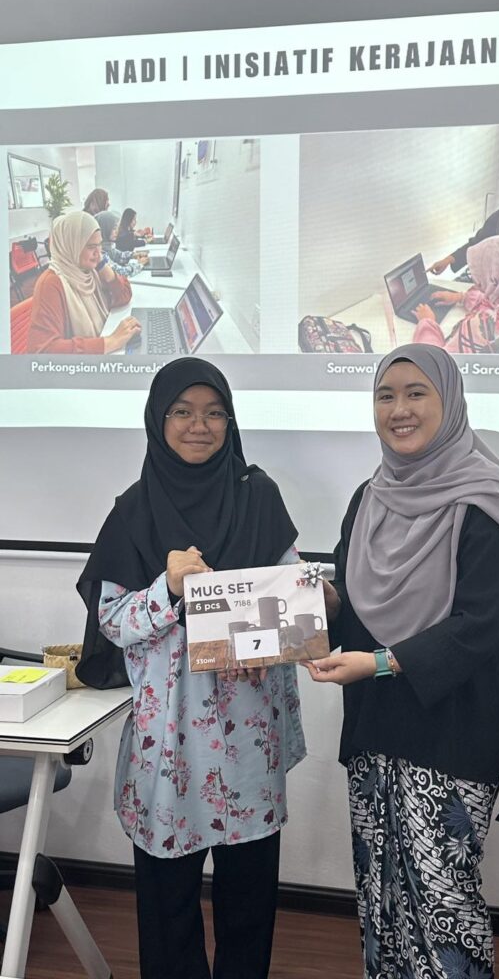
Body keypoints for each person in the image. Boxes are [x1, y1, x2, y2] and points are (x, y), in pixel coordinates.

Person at [306, 343, 499, 979]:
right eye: (386, 396)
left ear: (450, 403)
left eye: (416, 394)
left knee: (444, 906)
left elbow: (481, 626)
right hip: (377, 727)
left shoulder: (488, 503)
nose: (399, 410)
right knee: (380, 895)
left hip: (455, 732)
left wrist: (379, 664)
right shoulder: (369, 497)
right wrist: (319, 602)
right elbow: (357, 601)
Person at [76, 358, 306, 979]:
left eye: (214, 413)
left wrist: (273, 640)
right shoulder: (132, 511)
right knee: (167, 903)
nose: (199, 425)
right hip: (170, 741)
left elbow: (294, 596)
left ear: (230, 422)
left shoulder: (258, 495)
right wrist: (168, 588)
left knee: (248, 900)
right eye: (182, 411)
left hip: (248, 733)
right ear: (159, 419)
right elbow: (112, 620)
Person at [27, 210, 141, 354]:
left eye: (99, 245)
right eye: (91, 247)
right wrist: (109, 342)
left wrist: (103, 267)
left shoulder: (89, 270)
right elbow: (44, 351)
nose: (98, 253)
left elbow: (124, 296)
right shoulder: (50, 284)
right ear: (71, 246)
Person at [94, 209, 147, 278]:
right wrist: (139, 264)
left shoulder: (107, 247)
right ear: (104, 229)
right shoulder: (100, 253)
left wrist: (134, 255)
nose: (117, 231)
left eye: (117, 227)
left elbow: (119, 255)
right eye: (114, 228)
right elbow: (121, 273)